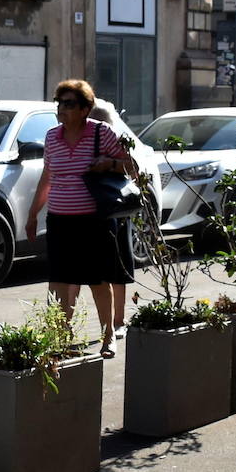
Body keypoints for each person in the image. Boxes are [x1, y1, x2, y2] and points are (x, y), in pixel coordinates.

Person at [24, 79, 137, 358]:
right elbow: (47, 176)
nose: (61, 109)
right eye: (59, 103)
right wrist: (32, 214)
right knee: (60, 279)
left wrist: (108, 164)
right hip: (60, 220)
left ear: (86, 108)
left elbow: (132, 167)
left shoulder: (102, 133)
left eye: (69, 104)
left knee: (98, 280)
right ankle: (60, 336)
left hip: (94, 220)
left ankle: (107, 335)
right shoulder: (52, 136)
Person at [88, 100, 135, 339]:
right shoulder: (81, 142)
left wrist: (109, 163)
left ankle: (119, 320)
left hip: (115, 211)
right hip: (91, 212)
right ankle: (114, 321)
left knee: (118, 268)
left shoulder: (116, 143)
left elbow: (134, 168)